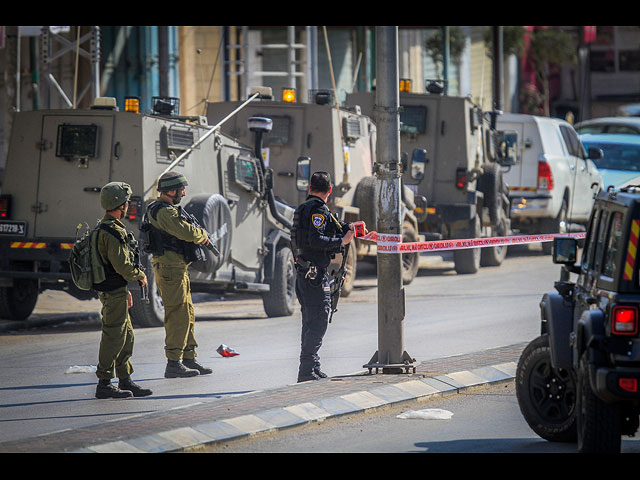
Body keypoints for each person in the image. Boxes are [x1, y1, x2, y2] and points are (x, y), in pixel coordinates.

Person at [291, 171, 361, 382]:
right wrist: (342, 242)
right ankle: (306, 370)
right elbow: (316, 239)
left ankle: (312, 366)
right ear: (329, 191)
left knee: (311, 321)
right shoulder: (317, 210)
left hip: (306, 273)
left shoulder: (306, 208)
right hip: (313, 275)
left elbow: (325, 230)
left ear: (310, 188)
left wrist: (347, 228)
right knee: (320, 319)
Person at [147, 171, 213, 378]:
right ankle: (173, 363)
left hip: (177, 267)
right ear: (171, 191)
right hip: (169, 269)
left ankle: (188, 358)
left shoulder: (170, 209)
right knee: (178, 315)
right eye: (181, 189)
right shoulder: (162, 211)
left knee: (188, 314)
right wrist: (202, 235)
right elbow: (185, 232)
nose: (184, 193)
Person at [94, 182, 151, 399]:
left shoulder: (106, 227)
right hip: (112, 292)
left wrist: (124, 289)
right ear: (119, 204)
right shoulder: (112, 232)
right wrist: (140, 275)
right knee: (113, 337)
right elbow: (122, 266)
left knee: (125, 336)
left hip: (116, 290)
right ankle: (104, 383)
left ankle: (125, 380)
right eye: (126, 202)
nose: (128, 205)